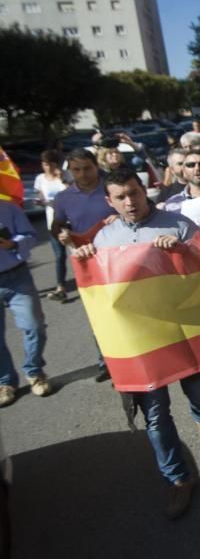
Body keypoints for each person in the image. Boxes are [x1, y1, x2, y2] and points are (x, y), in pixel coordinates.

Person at [73, 168, 200, 519]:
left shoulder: (178, 224)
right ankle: (177, 479)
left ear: (145, 191)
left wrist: (183, 250)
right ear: (109, 201)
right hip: (140, 343)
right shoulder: (105, 241)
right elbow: (101, 301)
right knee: (155, 415)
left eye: (134, 193)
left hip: (183, 330)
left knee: (199, 391)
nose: (129, 202)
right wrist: (85, 261)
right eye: (120, 197)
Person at [51, 148, 116, 381]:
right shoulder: (63, 198)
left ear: (95, 165)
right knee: (97, 312)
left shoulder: (112, 187)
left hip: (118, 256)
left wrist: (120, 216)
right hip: (88, 261)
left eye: (87, 168)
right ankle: (105, 361)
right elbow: (56, 225)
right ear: (70, 171)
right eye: (76, 170)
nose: (83, 174)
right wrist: (62, 234)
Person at [0, 199, 51, 406]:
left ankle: (34, 371)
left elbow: (31, 236)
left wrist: (12, 244)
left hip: (17, 276)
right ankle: (5, 382)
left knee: (34, 326)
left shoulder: (9, 208)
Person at [34, 150, 69, 301]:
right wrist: (40, 201)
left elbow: (72, 194)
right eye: (44, 164)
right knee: (60, 255)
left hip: (71, 221)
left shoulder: (67, 175)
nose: (47, 167)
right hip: (53, 222)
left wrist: (62, 178)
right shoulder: (40, 178)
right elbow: (41, 196)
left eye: (50, 164)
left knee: (79, 254)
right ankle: (60, 287)